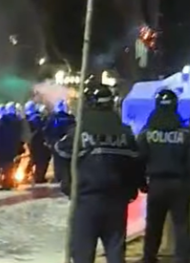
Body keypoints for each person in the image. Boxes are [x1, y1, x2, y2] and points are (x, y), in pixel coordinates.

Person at [55, 85, 142, 263]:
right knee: (115, 250)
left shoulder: (80, 131)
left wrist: (67, 183)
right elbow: (136, 163)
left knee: (83, 251)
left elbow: (60, 152)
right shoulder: (125, 133)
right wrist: (131, 190)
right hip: (117, 201)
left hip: (86, 199)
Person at [138, 89, 190, 263]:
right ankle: (182, 258)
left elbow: (139, 159)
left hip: (156, 184)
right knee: (181, 224)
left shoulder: (147, 132)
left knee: (153, 223)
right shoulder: (184, 133)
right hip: (179, 183)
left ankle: (149, 256)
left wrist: (141, 183)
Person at [45, 99, 75, 182]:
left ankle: (59, 177)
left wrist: (48, 141)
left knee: (57, 161)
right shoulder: (69, 117)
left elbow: (47, 130)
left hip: (55, 141)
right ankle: (67, 177)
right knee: (67, 160)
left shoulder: (52, 118)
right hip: (66, 141)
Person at [0, 102, 21, 190]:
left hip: (2, 148)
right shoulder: (15, 122)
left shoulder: (0, 123)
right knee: (8, 167)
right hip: (11, 148)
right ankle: (8, 183)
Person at [25, 101, 51, 183]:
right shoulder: (36, 118)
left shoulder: (27, 118)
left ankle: (29, 174)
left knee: (34, 159)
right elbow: (41, 130)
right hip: (38, 142)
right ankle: (38, 177)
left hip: (32, 142)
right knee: (41, 160)